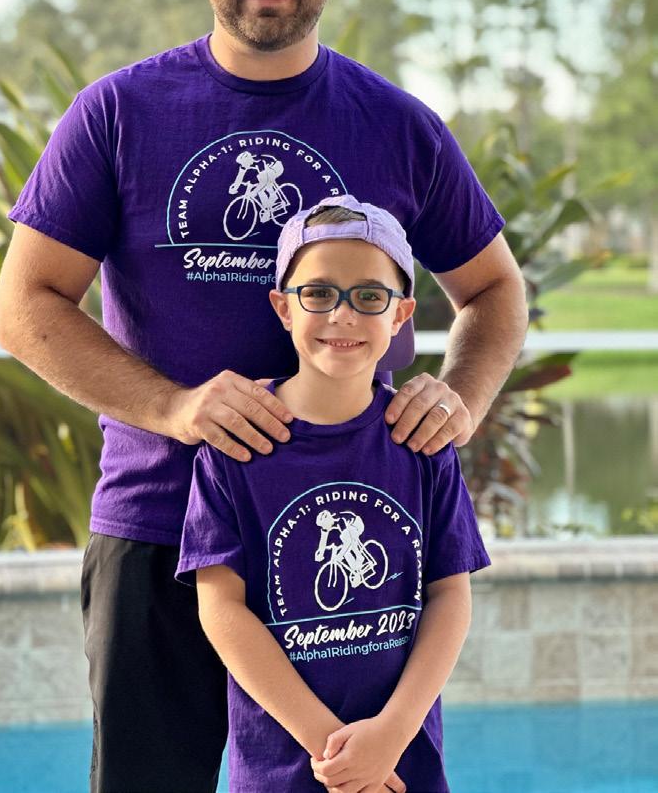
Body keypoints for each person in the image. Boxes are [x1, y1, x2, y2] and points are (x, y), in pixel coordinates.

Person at [0, 0, 526, 793]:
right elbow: (24, 305)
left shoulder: (398, 124)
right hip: (159, 523)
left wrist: (460, 398)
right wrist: (173, 408)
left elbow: (492, 290)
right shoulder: (117, 113)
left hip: (351, 524)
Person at [176, 196, 491, 792]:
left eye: (369, 296)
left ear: (400, 314)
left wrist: (391, 736)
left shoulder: (422, 444)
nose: (342, 315)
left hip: (402, 762)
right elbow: (221, 610)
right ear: (283, 307)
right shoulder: (236, 446)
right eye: (318, 293)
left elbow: (450, 595)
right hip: (284, 765)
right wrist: (333, 748)